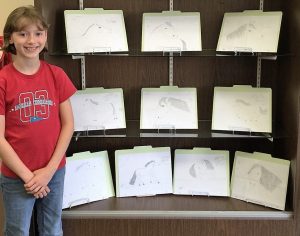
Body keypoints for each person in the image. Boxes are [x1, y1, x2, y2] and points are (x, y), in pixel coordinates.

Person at [0, 5, 77, 236]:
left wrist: (47, 172)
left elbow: (68, 125)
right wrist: (29, 177)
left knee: (52, 229)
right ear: (10, 38)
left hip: (54, 172)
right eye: (23, 34)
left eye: (38, 33)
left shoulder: (56, 75)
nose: (31, 40)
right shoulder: (3, 80)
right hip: (17, 178)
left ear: (45, 36)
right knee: (17, 230)